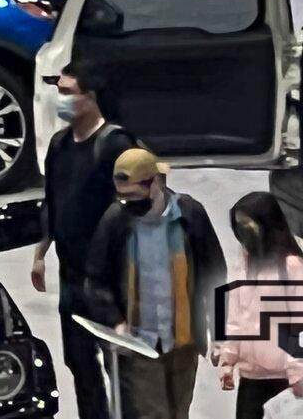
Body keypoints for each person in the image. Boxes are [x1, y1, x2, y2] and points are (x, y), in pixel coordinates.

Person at [85, 148, 226, 419]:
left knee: (178, 412)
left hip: (183, 340)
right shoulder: (116, 221)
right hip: (139, 343)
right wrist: (115, 321)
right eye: (122, 198)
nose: (128, 204)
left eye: (134, 197)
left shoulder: (190, 215)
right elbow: (96, 279)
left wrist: (219, 333)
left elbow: (215, 275)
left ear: (154, 183)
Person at [30, 61, 136, 419]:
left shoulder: (116, 144)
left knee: (119, 364)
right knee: (79, 361)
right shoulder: (60, 145)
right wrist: (41, 252)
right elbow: (52, 200)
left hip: (110, 279)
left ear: (90, 98)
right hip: (71, 276)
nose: (59, 99)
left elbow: (137, 210)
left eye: (66, 92)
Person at [215, 193, 303, 419]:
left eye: (249, 226)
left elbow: (301, 325)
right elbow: (236, 318)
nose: (244, 233)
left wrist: (296, 371)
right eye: (239, 226)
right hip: (251, 379)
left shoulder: (293, 267)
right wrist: (228, 360)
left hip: (285, 380)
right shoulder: (244, 262)